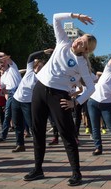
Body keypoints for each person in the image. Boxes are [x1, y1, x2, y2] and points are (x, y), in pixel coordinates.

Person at [24, 12, 96, 187]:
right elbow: (56, 17)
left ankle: (76, 173)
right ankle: (38, 169)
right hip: (40, 89)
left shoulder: (81, 63)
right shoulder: (63, 42)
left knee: (66, 133)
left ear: (85, 50)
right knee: (37, 129)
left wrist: (75, 102)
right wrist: (75, 16)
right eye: (81, 38)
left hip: (59, 96)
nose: (78, 41)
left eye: (83, 43)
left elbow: (91, 88)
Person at [10, 49, 52, 152]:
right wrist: (44, 52)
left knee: (32, 125)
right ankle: (20, 145)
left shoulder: (43, 79)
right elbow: (31, 56)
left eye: (41, 66)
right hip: (16, 100)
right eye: (37, 65)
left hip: (28, 103)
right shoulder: (29, 71)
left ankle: (38, 144)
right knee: (17, 124)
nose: (38, 67)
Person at [0, 53, 22, 143]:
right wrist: (7, 101)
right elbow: (4, 90)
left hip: (19, 91)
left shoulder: (13, 68)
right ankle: (3, 136)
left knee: (23, 115)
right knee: (8, 115)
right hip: (11, 94)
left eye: (2, 62)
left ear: (6, 62)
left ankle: (29, 133)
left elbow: (3, 54)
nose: (1, 65)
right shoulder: (3, 77)